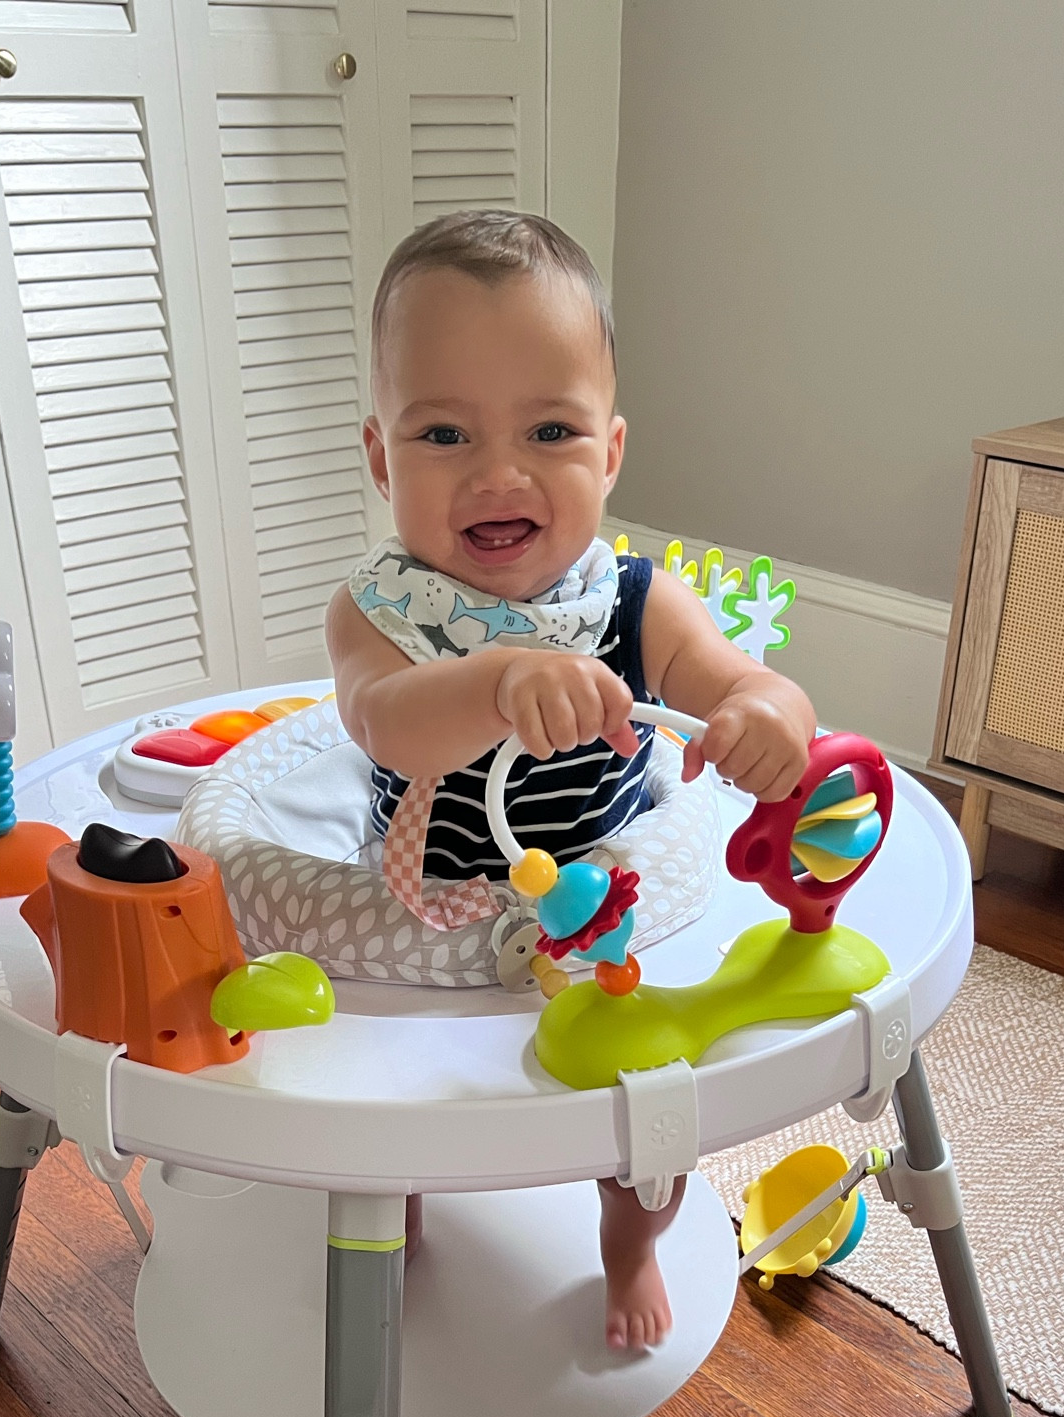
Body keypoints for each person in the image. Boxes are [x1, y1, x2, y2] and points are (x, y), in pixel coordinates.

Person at [326, 211, 815, 1351]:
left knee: (649, 1127)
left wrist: (765, 716)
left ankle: (633, 1243)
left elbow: (746, 681)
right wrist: (494, 681)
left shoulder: (638, 598)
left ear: (610, 452)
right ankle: (390, 1213)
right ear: (379, 456)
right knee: (370, 1119)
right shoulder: (378, 611)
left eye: (550, 428)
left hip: (600, 925)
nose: (500, 473)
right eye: (443, 432)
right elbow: (383, 724)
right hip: (423, 926)